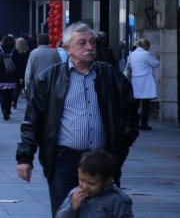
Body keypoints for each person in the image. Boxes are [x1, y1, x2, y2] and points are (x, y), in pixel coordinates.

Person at [16, 22, 139, 217]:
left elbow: (131, 113)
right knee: (65, 212)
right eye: (82, 43)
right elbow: (32, 121)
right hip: (63, 161)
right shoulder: (49, 79)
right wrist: (25, 158)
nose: (89, 47)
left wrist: (120, 146)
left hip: (102, 160)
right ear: (67, 48)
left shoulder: (110, 76)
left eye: (92, 42)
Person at [55, 150, 134, 218]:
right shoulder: (74, 195)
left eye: (92, 184)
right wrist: (72, 207)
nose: (85, 186)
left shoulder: (118, 200)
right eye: (81, 180)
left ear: (108, 181)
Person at [129, 38, 159, 131]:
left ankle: (134, 123)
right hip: (145, 81)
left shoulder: (132, 54)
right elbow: (156, 64)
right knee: (146, 104)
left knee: (136, 104)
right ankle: (144, 124)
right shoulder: (146, 54)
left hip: (135, 81)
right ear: (146, 46)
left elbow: (129, 66)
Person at [24, 34, 61, 102]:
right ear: (48, 41)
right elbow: (60, 69)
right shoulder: (55, 53)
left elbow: (29, 71)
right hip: (52, 85)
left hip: (37, 85)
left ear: (38, 41)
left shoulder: (34, 53)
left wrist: (27, 86)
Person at [0, 35, 18, 120]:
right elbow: (17, 63)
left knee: (2, 94)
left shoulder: (0, 49)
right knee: (9, 94)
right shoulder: (14, 49)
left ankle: (3, 110)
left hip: (2, 75)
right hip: (11, 75)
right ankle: (8, 110)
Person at [12, 37, 30, 110]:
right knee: (26, 87)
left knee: (16, 88)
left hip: (16, 71)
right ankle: (28, 102)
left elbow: (13, 61)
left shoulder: (15, 52)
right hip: (25, 71)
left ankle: (14, 102)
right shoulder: (28, 52)